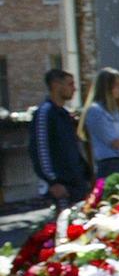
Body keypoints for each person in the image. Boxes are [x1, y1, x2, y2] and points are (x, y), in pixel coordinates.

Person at [29, 68, 88, 209]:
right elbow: (40, 149)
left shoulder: (64, 114)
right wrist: (53, 181)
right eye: (70, 84)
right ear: (56, 85)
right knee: (63, 225)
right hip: (62, 186)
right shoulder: (45, 113)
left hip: (76, 182)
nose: (74, 89)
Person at [77, 67, 119, 187]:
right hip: (110, 164)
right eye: (116, 85)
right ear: (106, 87)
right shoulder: (96, 111)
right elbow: (115, 143)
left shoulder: (116, 111)